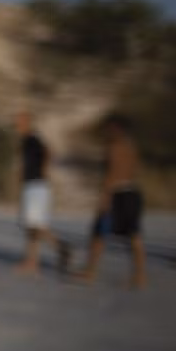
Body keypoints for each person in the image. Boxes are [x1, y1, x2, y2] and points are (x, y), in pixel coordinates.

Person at [74, 113, 146, 288]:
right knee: (133, 235)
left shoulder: (113, 146)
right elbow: (132, 170)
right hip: (132, 192)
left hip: (117, 195)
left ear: (117, 128)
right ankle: (140, 276)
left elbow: (112, 173)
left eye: (109, 128)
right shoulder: (131, 146)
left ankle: (90, 272)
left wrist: (105, 198)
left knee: (98, 234)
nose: (107, 131)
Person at [12, 110, 71, 275]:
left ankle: (59, 247)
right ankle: (33, 261)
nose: (17, 125)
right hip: (32, 185)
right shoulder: (26, 140)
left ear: (27, 122)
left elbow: (47, 152)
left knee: (35, 224)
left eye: (19, 121)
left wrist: (44, 171)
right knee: (32, 226)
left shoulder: (32, 138)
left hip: (36, 185)